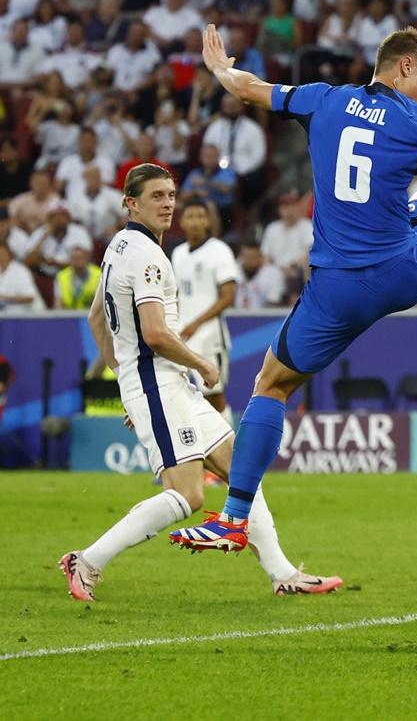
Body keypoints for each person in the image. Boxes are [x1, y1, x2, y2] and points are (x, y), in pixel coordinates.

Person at [169, 24, 417, 550]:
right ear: (404, 66)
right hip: (401, 273)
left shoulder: (324, 99)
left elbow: (249, 88)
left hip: (334, 288)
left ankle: (232, 519)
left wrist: (219, 69)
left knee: (270, 386)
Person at [61, 164, 341, 601]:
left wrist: (127, 380)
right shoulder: (148, 255)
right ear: (130, 203)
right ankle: (88, 560)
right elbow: (154, 333)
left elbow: (98, 317)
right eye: (156, 196)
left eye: (171, 194)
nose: (168, 203)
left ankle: (283, 574)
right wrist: (201, 366)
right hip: (162, 383)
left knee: (241, 469)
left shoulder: (117, 246)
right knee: (188, 496)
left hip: (159, 384)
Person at [171, 199, 238, 424]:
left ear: (208, 221)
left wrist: (196, 323)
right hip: (182, 337)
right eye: (190, 216)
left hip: (210, 338)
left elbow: (228, 296)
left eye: (200, 216)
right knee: (179, 397)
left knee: (214, 397)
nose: (195, 222)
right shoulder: (178, 253)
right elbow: (177, 295)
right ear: (182, 221)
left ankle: (229, 451)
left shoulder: (219, 251)